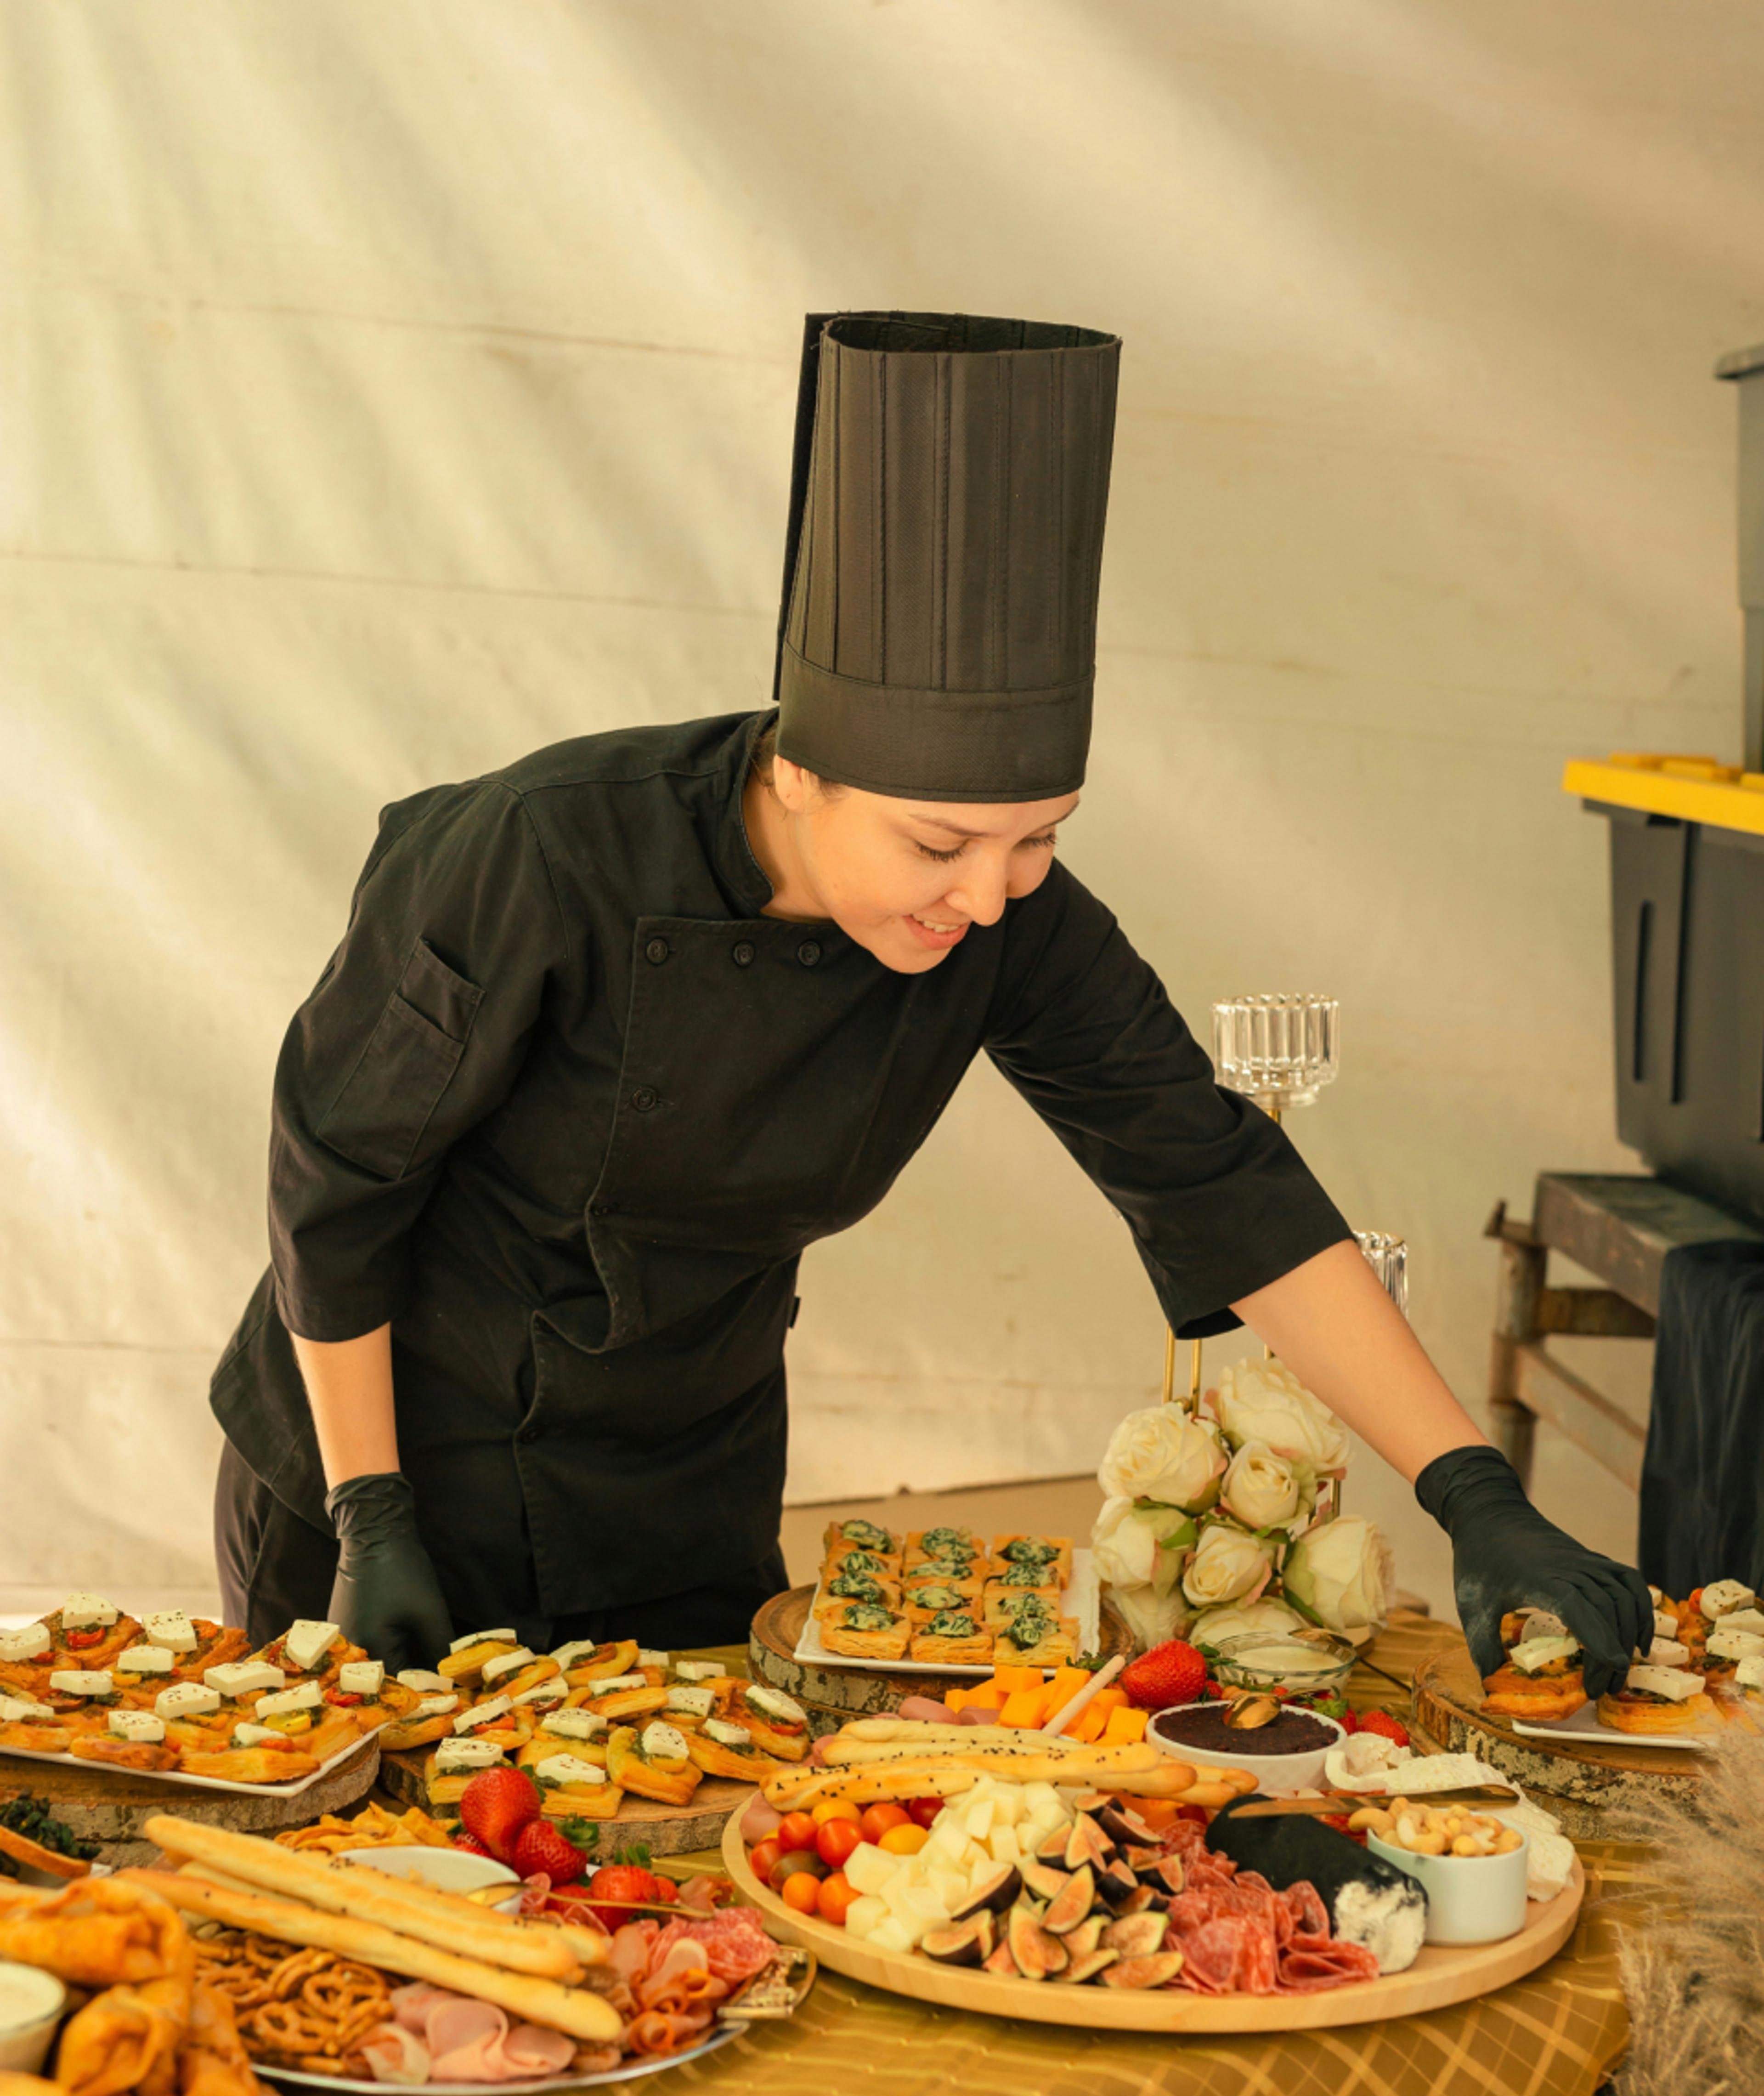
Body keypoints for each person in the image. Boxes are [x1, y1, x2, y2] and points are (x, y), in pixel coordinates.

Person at [210, 309, 1651, 1693]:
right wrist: (371, 1513)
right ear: (798, 769)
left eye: (1042, 837)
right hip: (380, 1461)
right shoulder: (545, 849)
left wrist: (1477, 1497)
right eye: (937, 843)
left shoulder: (1013, 922)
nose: (988, 895)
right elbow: (337, 1182)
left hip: (672, 1500)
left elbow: (1221, 1182)